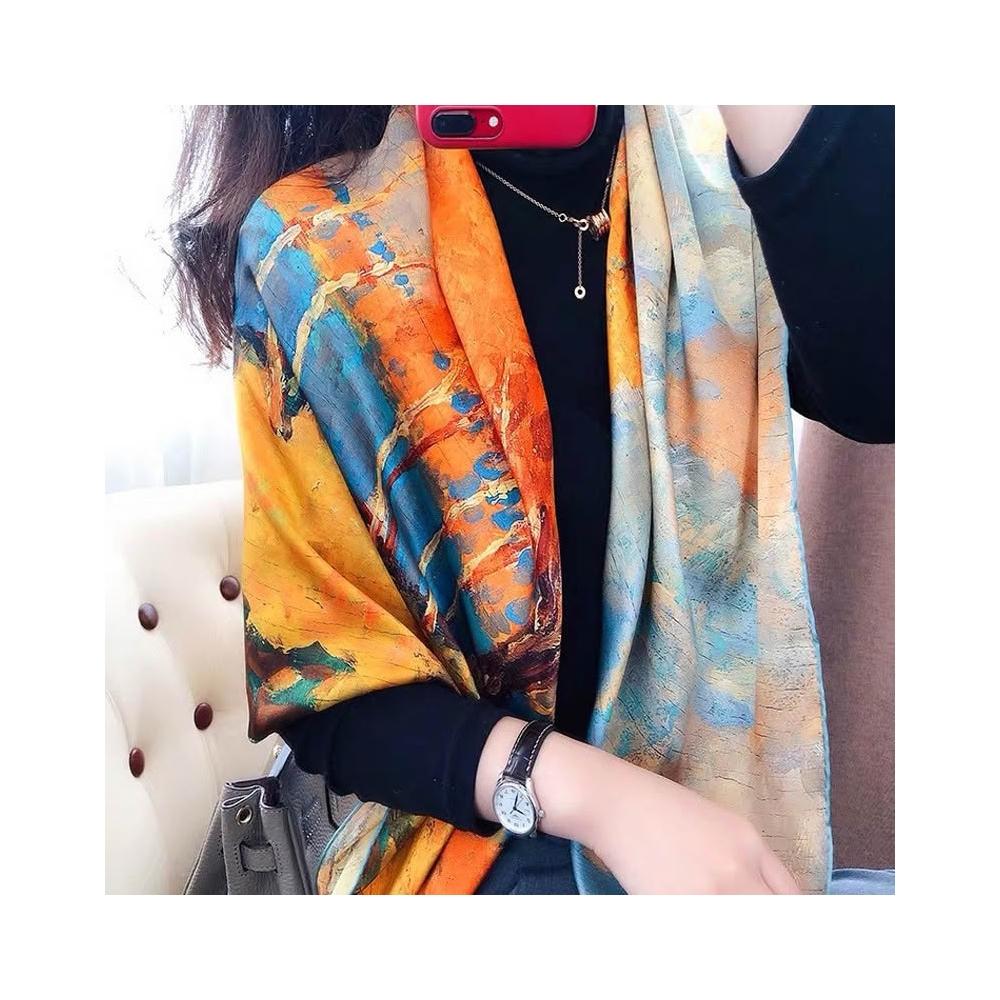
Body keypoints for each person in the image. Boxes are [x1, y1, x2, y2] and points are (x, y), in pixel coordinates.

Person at [173, 104, 894, 894]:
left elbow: (876, 386)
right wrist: (605, 802)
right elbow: (331, 695)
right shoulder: (319, 248)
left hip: (708, 822)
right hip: (463, 845)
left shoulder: (711, 187)